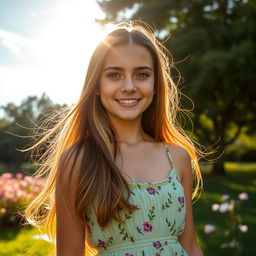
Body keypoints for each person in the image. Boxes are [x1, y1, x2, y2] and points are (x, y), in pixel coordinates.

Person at [25, 20, 205, 256]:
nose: (129, 86)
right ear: (97, 86)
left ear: (155, 85)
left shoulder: (178, 157)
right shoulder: (78, 160)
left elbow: (190, 246)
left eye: (142, 74)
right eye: (114, 75)